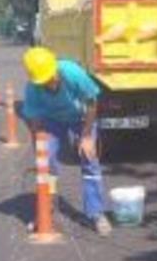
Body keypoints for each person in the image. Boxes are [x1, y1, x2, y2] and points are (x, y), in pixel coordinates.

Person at [21, 47, 112, 236]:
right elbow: (35, 121)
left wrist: (86, 137)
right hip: (52, 121)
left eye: (51, 76)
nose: (50, 82)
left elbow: (91, 103)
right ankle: (45, 212)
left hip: (81, 118)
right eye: (44, 81)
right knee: (46, 162)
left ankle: (96, 213)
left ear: (55, 68)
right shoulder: (32, 88)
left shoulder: (72, 72)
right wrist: (39, 150)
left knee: (90, 159)